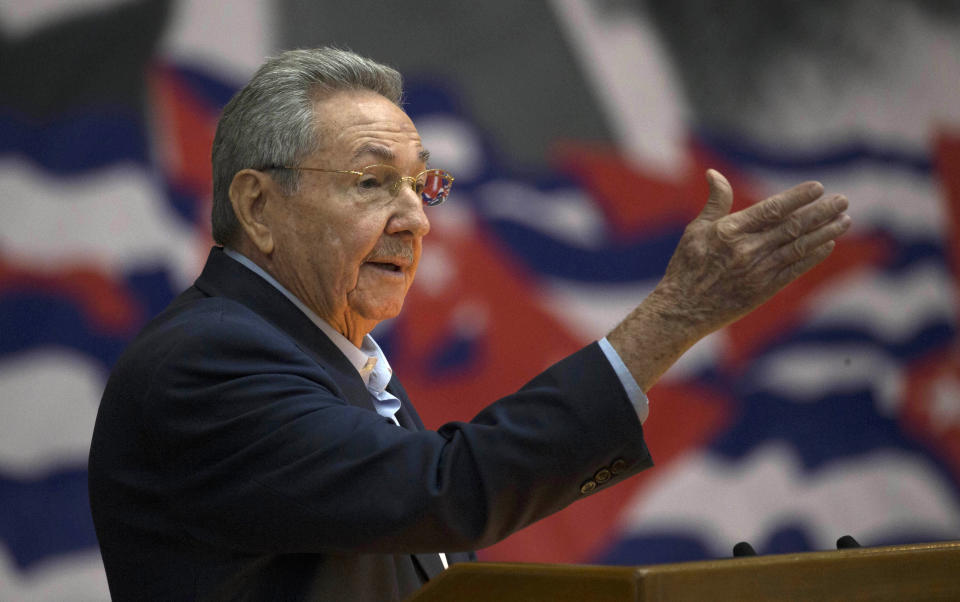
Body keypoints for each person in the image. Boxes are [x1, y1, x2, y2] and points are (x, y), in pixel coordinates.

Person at [88, 47, 851, 601]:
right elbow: (445, 490)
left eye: (423, 185)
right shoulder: (206, 362)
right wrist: (676, 317)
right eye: (371, 182)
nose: (416, 218)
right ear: (258, 207)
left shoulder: (336, 367)